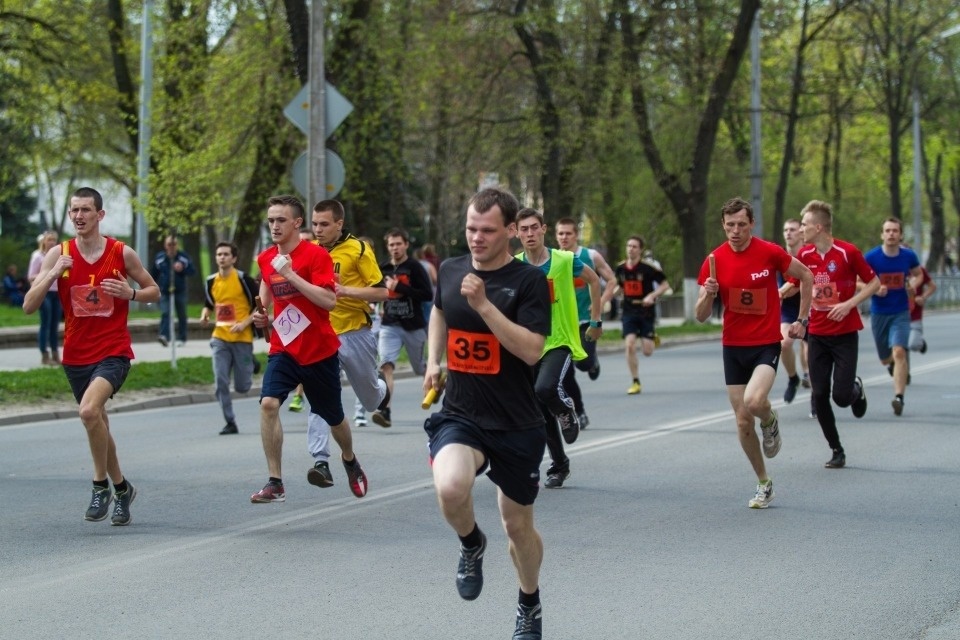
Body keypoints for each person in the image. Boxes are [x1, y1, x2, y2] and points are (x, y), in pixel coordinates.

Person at [421, 187, 550, 639]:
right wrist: (433, 359)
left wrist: (485, 306)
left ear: (512, 231)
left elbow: (532, 351)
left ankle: (529, 602)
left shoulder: (530, 281)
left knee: (518, 528)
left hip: (516, 421)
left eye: (488, 230)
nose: (476, 238)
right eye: (471, 229)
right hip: (462, 411)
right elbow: (440, 311)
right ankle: (471, 543)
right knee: (451, 485)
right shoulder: (452, 269)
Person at [22, 186, 161, 526]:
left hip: (113, 351)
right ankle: (122, 488)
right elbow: (28, 305)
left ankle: (100, 485)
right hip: (76, 354)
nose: (79, 216)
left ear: (100, 215)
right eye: (74, 211)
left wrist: (129, 293)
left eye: (86, 210)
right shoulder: (59, 254)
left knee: (88, 411)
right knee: (98, 422)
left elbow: (153, 291)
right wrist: (52, 275)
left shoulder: (120, 252)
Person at [695, 196, 812, 509]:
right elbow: (700, 315)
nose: (735, 231)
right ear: (723, 225)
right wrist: (708, 294)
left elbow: (806, 276)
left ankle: (770, 420)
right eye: (730, 225)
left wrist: (802, 319)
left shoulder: (769, 252)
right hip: (733, 347)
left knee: (754, 401)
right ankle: (764, 482)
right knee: (743, 422)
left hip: (765, 343)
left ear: (751, 225)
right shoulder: (714, 261)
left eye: (741, 225)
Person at [250, 195, 368, 502]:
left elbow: (329, 301)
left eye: (280, 220)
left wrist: (290, 275)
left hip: (319, 351)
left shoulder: (315, 256)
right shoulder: (265, 259)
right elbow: (265, 296)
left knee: (334, 418)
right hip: (284, 348)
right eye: (271, 220)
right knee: (268, 404)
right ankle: (275, 482)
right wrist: (260, 315)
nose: (274, 226)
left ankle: (349, 458)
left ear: (297, 223)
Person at [303, 199, 389, 489]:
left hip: (355, 333)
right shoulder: (309, 252)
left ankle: (382, 390)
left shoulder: (358, 249)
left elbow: (381, 292)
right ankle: (321, 461)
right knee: (320, 397)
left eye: (324, 224)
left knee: (370, 400)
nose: (318, 229)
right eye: (314, 224)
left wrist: (343, 291)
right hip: (321, 335)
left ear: (339, 224)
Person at [516, 208, 602, 490]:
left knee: (545, 389)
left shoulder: (564, 260)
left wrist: (596, 320)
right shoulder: (514, 265)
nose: (529, 234)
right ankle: (559, 466)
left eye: (534, 228)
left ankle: (567, 408)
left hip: (560, 340)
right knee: (539, 412)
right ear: (516, 233)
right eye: (523, 229)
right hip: (529, 344)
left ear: (544, 229)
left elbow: (593, 280)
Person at [795, 200, 879, 468]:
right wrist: (786, 294)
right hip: (817, 334)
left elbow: (874, 283)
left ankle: (855, 388)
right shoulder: (805, 255)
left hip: (844, 334)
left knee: (840, 397)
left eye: (805, 225)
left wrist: (848, 304)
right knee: (819, 394)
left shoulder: (847, 252)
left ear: (819, 227)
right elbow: (797, 282)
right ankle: (836, 449)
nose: (801, 229)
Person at [554, 217, 617, 426]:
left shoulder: (590, 256)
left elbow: (612, 280)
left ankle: (593, 363)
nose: (564, 237)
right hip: (562, 325)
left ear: (576, 235)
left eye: (568, 233)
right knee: (566, 375)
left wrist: (601, 300)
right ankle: (579, 412)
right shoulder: (552, 258)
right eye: (560, 233)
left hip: (586, 320)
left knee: (583, 363)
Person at [200, 241, 260, 436]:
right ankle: (230, 421)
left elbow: (261, 306)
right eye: (219, 254)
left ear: (234, 258)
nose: (222, 257)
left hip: (242, 338)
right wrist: (205, 314)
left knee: (243, 387)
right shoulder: (211, 281)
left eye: (226, 254)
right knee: (221, 381)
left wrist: (244, 323)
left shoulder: (244, 280)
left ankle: (250, 362)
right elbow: (209, 303)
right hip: (220, 338)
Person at [375, 228, 433, 427]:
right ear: (387, 247)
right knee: (386, 365)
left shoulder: (415, 267)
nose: (395, 248)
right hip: (389, 324)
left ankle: (434, 376)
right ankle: (385, 410)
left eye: (399, 243)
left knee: (419, 368)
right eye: (391, 244)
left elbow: (427, 294)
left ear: (406, 244)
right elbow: (374, 291)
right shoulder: (382, 268)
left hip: (413, 325)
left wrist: (399, 288)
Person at [864, 218, 922, 416]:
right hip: (879, 313)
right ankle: (891, 366)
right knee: (885, 358)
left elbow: (918, 274)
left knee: (899, 352)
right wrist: (873, 288)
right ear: (882, 234)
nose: (891, 234)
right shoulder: (872, 257)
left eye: (895, 231)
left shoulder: (908, 256)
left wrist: (913, 283)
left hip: (901, 312)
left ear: (900, 235)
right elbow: (856, 281)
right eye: (887, 231)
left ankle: (899, 398)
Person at [614, 236, 672, 395]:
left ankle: (652, 337)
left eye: (634, 246)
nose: (630, 249)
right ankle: (635, 381)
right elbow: (620, 286)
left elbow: (665, 285)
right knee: (629, 345)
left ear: (640, 250)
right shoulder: (620, 268)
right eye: (628, 245)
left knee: (647, 351)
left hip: (646, 311)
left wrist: (652, 296)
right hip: (628, 310)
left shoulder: (648, 268)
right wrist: (607, 298)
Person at [777, 218, 811, 404]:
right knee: (784, 343)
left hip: (810, 305)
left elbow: (799, 283)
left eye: (793, 229)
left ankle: (816, 397)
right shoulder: (779, 255)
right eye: (786, 229)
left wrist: (780, 292)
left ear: (801, 233)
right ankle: (793, 378)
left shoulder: (808, 254)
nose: (788, 233)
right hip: (789, 307)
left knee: (809, 349)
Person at [287, 228, 316, 413]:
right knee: (295, 358)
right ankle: (298, 392)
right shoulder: (288, 261)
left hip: (313, 319)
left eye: (308, 240)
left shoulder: (315, 259)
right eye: (301, 239)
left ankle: (299, 395)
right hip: (292, 319)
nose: (304, 243)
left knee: (306, 360)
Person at [151, 234, 196, 346]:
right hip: (165, 290)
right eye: (169, 244)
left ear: (177, 245)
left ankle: (182, 338)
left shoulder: (183, 257)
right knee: (165, 312)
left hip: (179, 290)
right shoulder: (160, 258)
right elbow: (154, 273)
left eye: (174, 244)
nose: (172, 247)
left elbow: (192, 271)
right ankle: (164, 336)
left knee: (181, 314)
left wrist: (182, 269)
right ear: (165, 245)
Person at [28, 231, 62, 365]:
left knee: (55, 325)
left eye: (54, 240)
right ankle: (44, 354)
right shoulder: (38, 256)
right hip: (44, 292)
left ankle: (55, 354)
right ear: (44, 241)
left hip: (56, 293)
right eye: (49, 240)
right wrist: (47, 275)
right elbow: (31, 276)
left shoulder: (58, 256)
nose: (52, 242)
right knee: (46, 323)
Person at [908, 265, 936, 354]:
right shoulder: (892, 269)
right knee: (898, 346)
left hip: (914, 314)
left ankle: (920, 343)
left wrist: (923, 297)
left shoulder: (919, 270)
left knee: (913, 345)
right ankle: (893, 362)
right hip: (896, 313)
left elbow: (932, 286)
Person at [413, 246, 438, 323]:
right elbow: (435, 279)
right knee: (428, 316)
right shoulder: (429, 265)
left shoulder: (413, 265)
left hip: (415, 294)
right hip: (428, 293)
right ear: (422, 255)